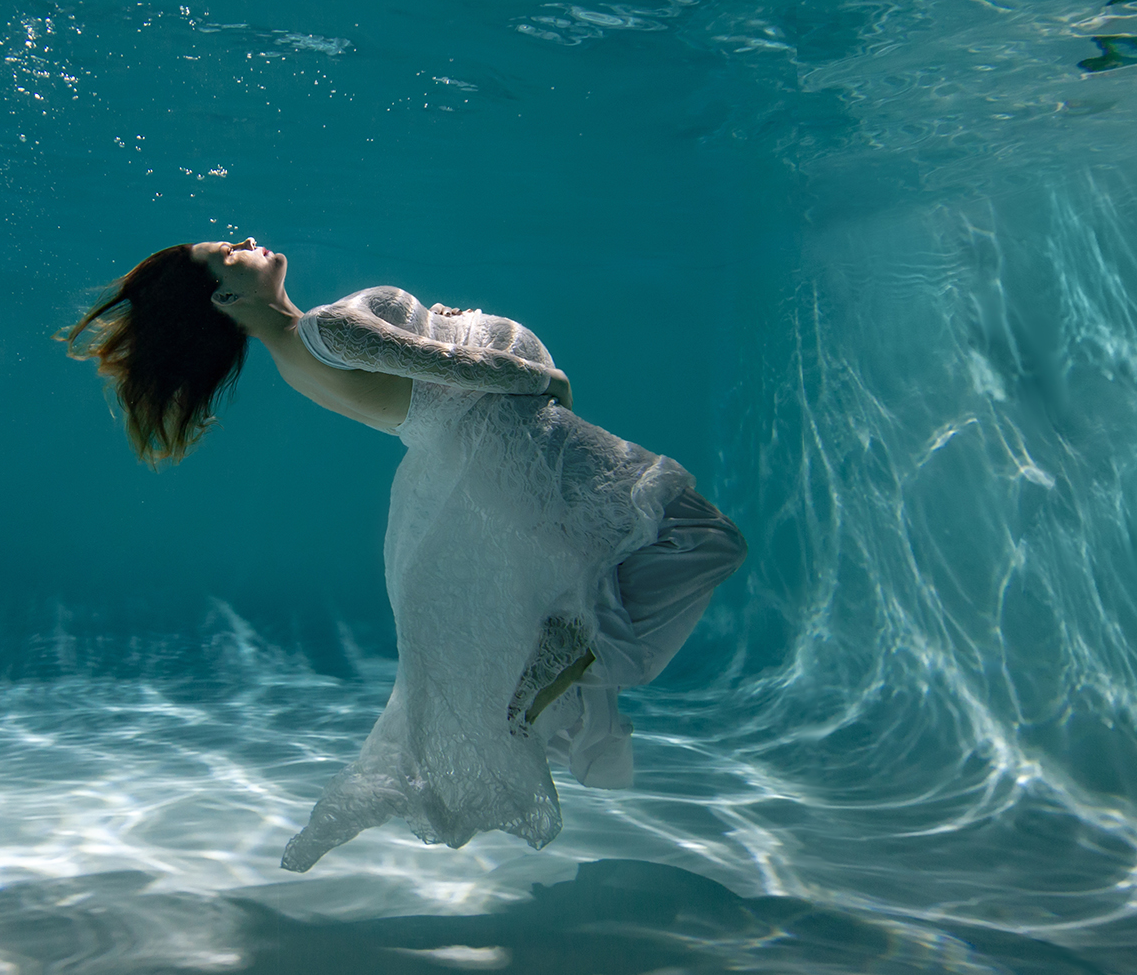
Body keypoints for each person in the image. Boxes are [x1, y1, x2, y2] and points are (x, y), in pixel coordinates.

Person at [60, 238, 746, 872]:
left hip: (491, 457)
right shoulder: (324, 329)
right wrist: (549, 380)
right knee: (701, 536)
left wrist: (444, 323)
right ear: (224, 296)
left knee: (625, 558)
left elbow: (420, 380)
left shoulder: (295, 359)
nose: (244, 242)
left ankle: (571, 640)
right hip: (523, 444)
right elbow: (466, 371)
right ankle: (574, 640)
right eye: (228, 253)